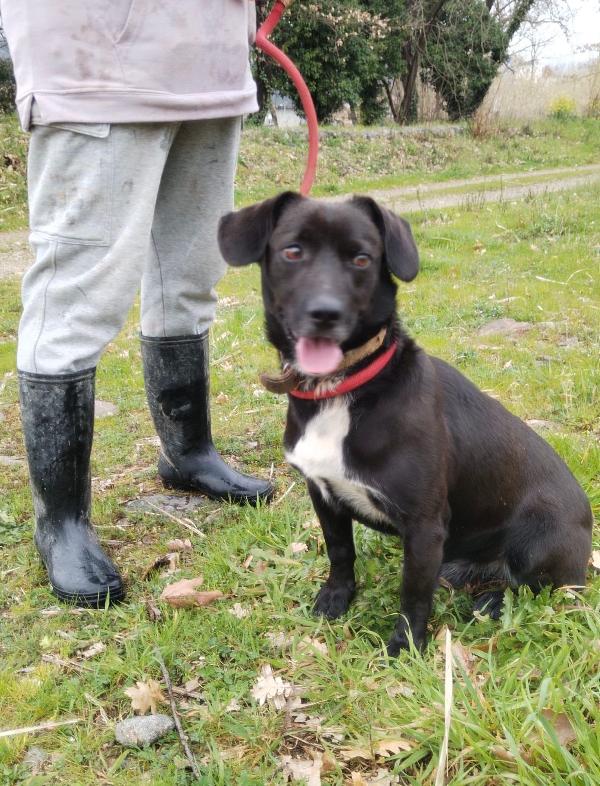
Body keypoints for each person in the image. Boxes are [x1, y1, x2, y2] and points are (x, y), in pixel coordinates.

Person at [1, 0, 273, 608]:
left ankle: (188, 453)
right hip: (95, 58)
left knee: (192, 274)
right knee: (78, 295)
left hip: (211, 67)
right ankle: (62, 522)